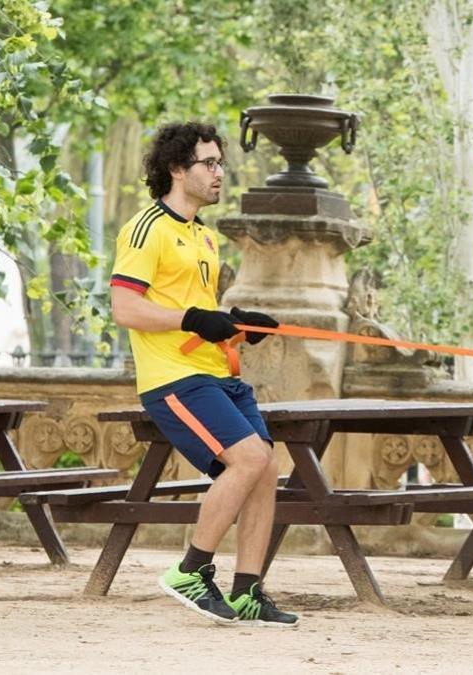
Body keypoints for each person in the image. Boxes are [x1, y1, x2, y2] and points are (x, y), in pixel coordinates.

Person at [110, 122, 296, 627]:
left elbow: (197, 315)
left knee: (265, 470)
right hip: (172, 378)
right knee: (249, 458)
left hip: (215, 371)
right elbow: (126, 308)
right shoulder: (146, 228)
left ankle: (247, 592)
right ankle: (191, 570)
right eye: (208, 164)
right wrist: (193, 318)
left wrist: (237, 326)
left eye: (220, 164)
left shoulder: (205, 238)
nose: (219, 174)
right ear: (177, 169)